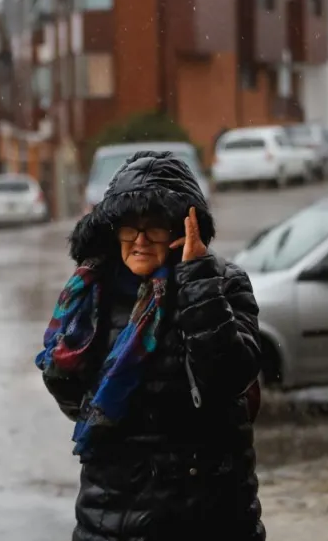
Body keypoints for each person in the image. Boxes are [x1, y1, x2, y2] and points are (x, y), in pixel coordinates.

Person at [36, 150, 265, 541]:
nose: (140, 240)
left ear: (182, 228)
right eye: (129, 227)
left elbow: (230, 377)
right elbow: (70, 393)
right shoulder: (92, 292)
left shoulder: (222, 283)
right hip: (113, 516)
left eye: (154, 226)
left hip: (208, 514)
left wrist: (196, 280)